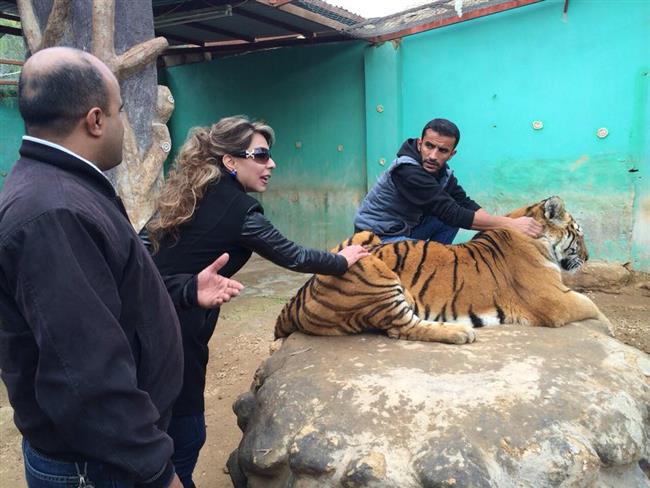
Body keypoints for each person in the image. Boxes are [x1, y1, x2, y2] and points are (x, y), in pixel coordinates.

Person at [0, 47, 243, 488]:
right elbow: (87, 373)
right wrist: (156, 470)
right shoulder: (54, 212)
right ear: (95, 120)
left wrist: (185, 291)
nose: (123, 122)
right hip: (97, 467)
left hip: (107, 457)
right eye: (120, 111)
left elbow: (107, 295)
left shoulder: (67, 188)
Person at [145, 115, 369, 487]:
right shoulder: (239, 210)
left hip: (148, 316)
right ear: (230, 161)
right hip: (178, 327)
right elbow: (293, 255)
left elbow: (141, 244)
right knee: (186, 436)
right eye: (261, 155)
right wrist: (340, 261)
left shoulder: (190, 192)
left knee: (157, 419)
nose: (272, 164)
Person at [354, 118, 542, 243]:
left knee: (448, 222)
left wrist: (494, 227)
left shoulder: (443, 173)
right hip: (376, 237)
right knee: (446, 226)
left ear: (452, 154)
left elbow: (464, 202)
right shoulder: (407, 171)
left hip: (406, 229)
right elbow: (451, 212)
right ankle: (431, 268)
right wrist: (510, 224)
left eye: (442, 150)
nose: (433, 156)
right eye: (429, 146)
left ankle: (433, 268)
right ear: (420, 144)